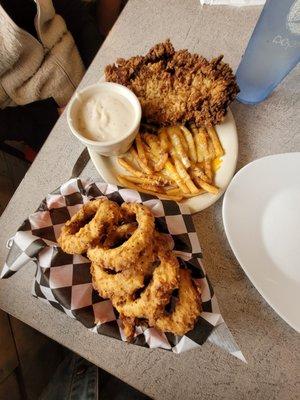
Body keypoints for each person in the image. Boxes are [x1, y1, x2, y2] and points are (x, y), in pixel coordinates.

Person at [0, 0, 102, 153]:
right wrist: (49, 117)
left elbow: (77, 17)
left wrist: (99, 72)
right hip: (48, 123)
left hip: (94, 73)